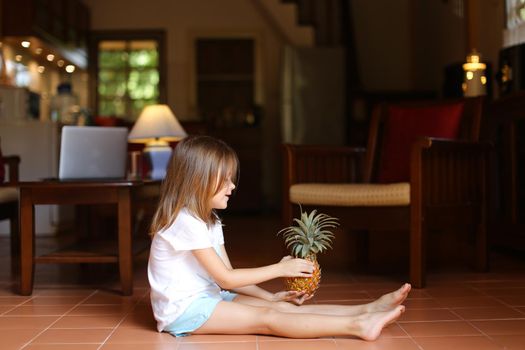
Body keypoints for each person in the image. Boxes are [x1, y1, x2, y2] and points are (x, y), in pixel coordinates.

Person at [148, 135, 410, 340]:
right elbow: (225, 279)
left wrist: (269, 296)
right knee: (267, 319)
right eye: (225, 179)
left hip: (208, 297)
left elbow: (228, 275)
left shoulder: (210, 220)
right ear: (198, 181)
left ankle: (367, 309)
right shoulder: (184, 221)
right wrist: (279, 269)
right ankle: (358, 325)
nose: (233, 186)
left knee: (281, 309)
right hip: (182, 311)